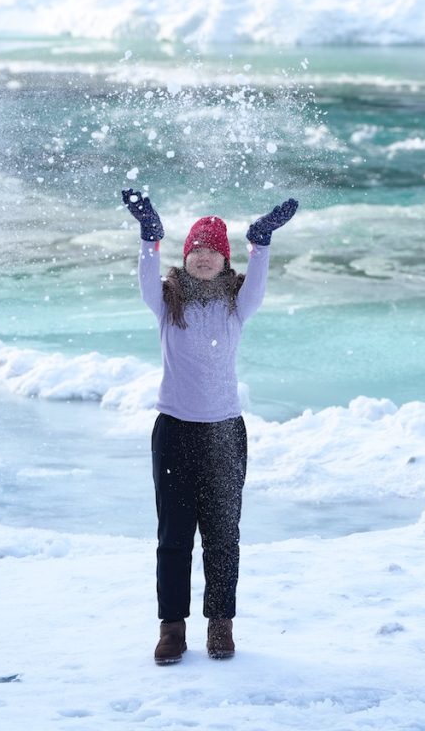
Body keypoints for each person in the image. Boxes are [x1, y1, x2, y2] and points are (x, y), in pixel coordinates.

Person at [122, 187, 298, 665]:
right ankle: (172, 628)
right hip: (175, 430)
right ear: (186, 255)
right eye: (196, 250)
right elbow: (144, 278)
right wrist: (149, 239)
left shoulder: (237, 306)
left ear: (224, 260)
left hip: (224, 432)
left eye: (213, 251)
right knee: (173, 537)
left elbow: (259, 279)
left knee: (223, 534)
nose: (203, 257)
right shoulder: (166, 302)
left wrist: (260, 242)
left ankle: (221, 625)